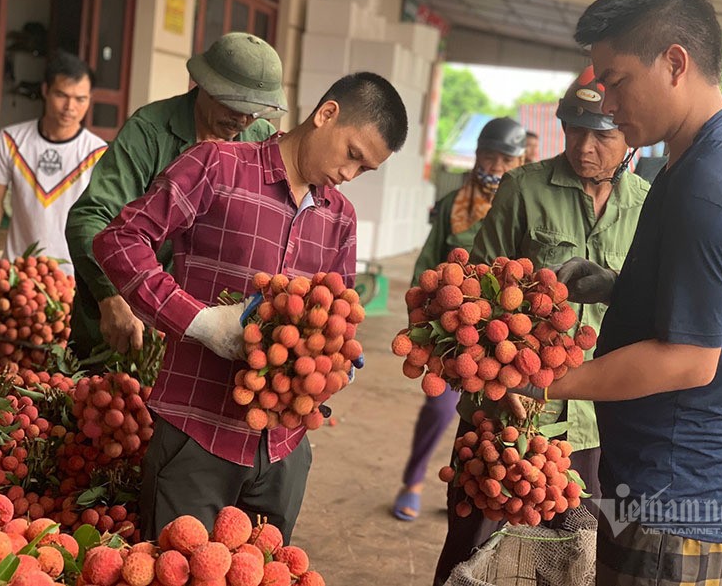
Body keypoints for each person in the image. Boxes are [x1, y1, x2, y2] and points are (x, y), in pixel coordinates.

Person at [515, 0, 722, 586]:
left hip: (676, 496)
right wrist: (616, 286)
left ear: (675, 63)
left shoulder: (713, 184)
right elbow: (708, 303)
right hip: (663, 481)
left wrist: (550, 383)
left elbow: (689, 359)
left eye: (616, 79)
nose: (604, 101)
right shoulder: (700, 160)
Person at [92, 72, 408, 542]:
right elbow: (118, 241)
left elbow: (340, 310)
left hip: (284, 447)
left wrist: (336, 356)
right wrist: (197, 321)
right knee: (176, 569)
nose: (349, 175)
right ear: (326, 115)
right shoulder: (216, 166)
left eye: (365, 170)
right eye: (352, 155)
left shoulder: (340, 217)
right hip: (197, 436)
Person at [432, 66, 649, 585]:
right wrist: (500, 382)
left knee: (577, 553)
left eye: (602, 135)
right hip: (507, 408)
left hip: (595, 420)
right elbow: (474, 297)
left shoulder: (646, 204)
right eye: (574, 130)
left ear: (630, 138)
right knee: (472, 547)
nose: (584, 146)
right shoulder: (523, 189)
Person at [66, 32, 283, 359]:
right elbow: (90, 218)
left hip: (215, 329)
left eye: (253, 111)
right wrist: (111, 296)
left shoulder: (261, 140)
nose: (243, 119)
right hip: (127, 326)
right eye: (234, 105)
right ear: (202, 85)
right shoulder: (148, 131)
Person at [392, 117, 527, 522]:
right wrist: (422, 325)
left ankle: (469, 492)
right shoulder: (455, 206)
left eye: (506, 158)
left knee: (489, 421)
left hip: (503, 336)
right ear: (478, 155)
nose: (497, 165)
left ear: (518, 160)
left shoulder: (522, 205)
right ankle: (412, 480)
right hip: (453, 329)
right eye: (490, 155)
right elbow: (427, 264)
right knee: (438, 407)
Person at [0, 51, 106, 273]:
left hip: (74, 279)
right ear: (45, 90)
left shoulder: (98, 153)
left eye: (80, 99)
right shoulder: (10, 140)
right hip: (17, 275)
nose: (70, 107)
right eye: (62, 95)